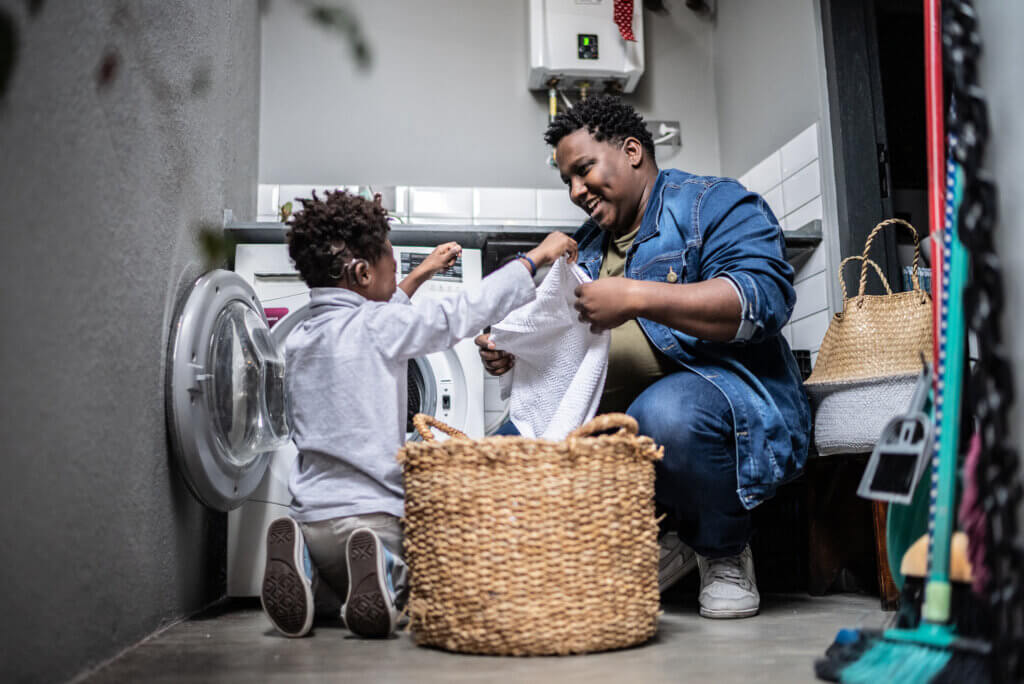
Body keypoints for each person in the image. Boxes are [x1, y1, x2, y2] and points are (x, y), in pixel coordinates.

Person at [476, 96, 811, 619]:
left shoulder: (710, 204)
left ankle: (722, 551)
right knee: (491, 462)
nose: (575, 192)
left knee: (666, 415)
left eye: (583, 171)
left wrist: (636, 295)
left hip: (715, 408)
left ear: (632, 151)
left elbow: (762, 299)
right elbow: (567, 352)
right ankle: (649, 544)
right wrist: (512, 356)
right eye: (567, 180)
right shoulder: (585, 246)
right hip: (604, 422)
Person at [262, 189, 577, 638]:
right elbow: (460, 313)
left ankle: (309, 574)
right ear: (364, 271)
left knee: (335, 589)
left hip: (311, 517)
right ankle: (387, 576)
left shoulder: (300, 340)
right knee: (426, 575)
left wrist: (423, 273)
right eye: (391, 255)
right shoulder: (381, 327)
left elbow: (376, 315)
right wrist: (535, 258)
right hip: (372, 522)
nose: (396, 265)